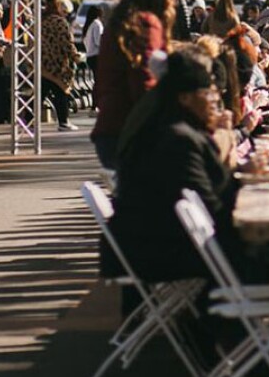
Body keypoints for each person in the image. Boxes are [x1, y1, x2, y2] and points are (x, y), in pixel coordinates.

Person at [103, 48, 244, 283]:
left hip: (155, 243)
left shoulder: (167, 122)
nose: (215, 101)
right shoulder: (178, 139)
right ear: (185, 98)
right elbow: (209, 205)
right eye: (208, 93)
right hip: (158, 252)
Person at [91, 0, 176, 169]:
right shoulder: (146, 23)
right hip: (133, 132)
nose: (173, 2)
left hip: (110, 128)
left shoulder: (119, 22)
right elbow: (145, 81)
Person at [41, 0, 80, 132]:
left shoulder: (42, 21)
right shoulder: (60, 22)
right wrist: (75, 56)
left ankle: (27, 119)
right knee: (60, 92)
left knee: (41, 92)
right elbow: (67, 42)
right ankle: (63, 121)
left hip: (43, 63)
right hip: (57, 64)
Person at [83, 4, 104, 77]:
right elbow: (98, 41)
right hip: (96, 56)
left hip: (89, 56)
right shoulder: (97, 24)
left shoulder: (89, 24)